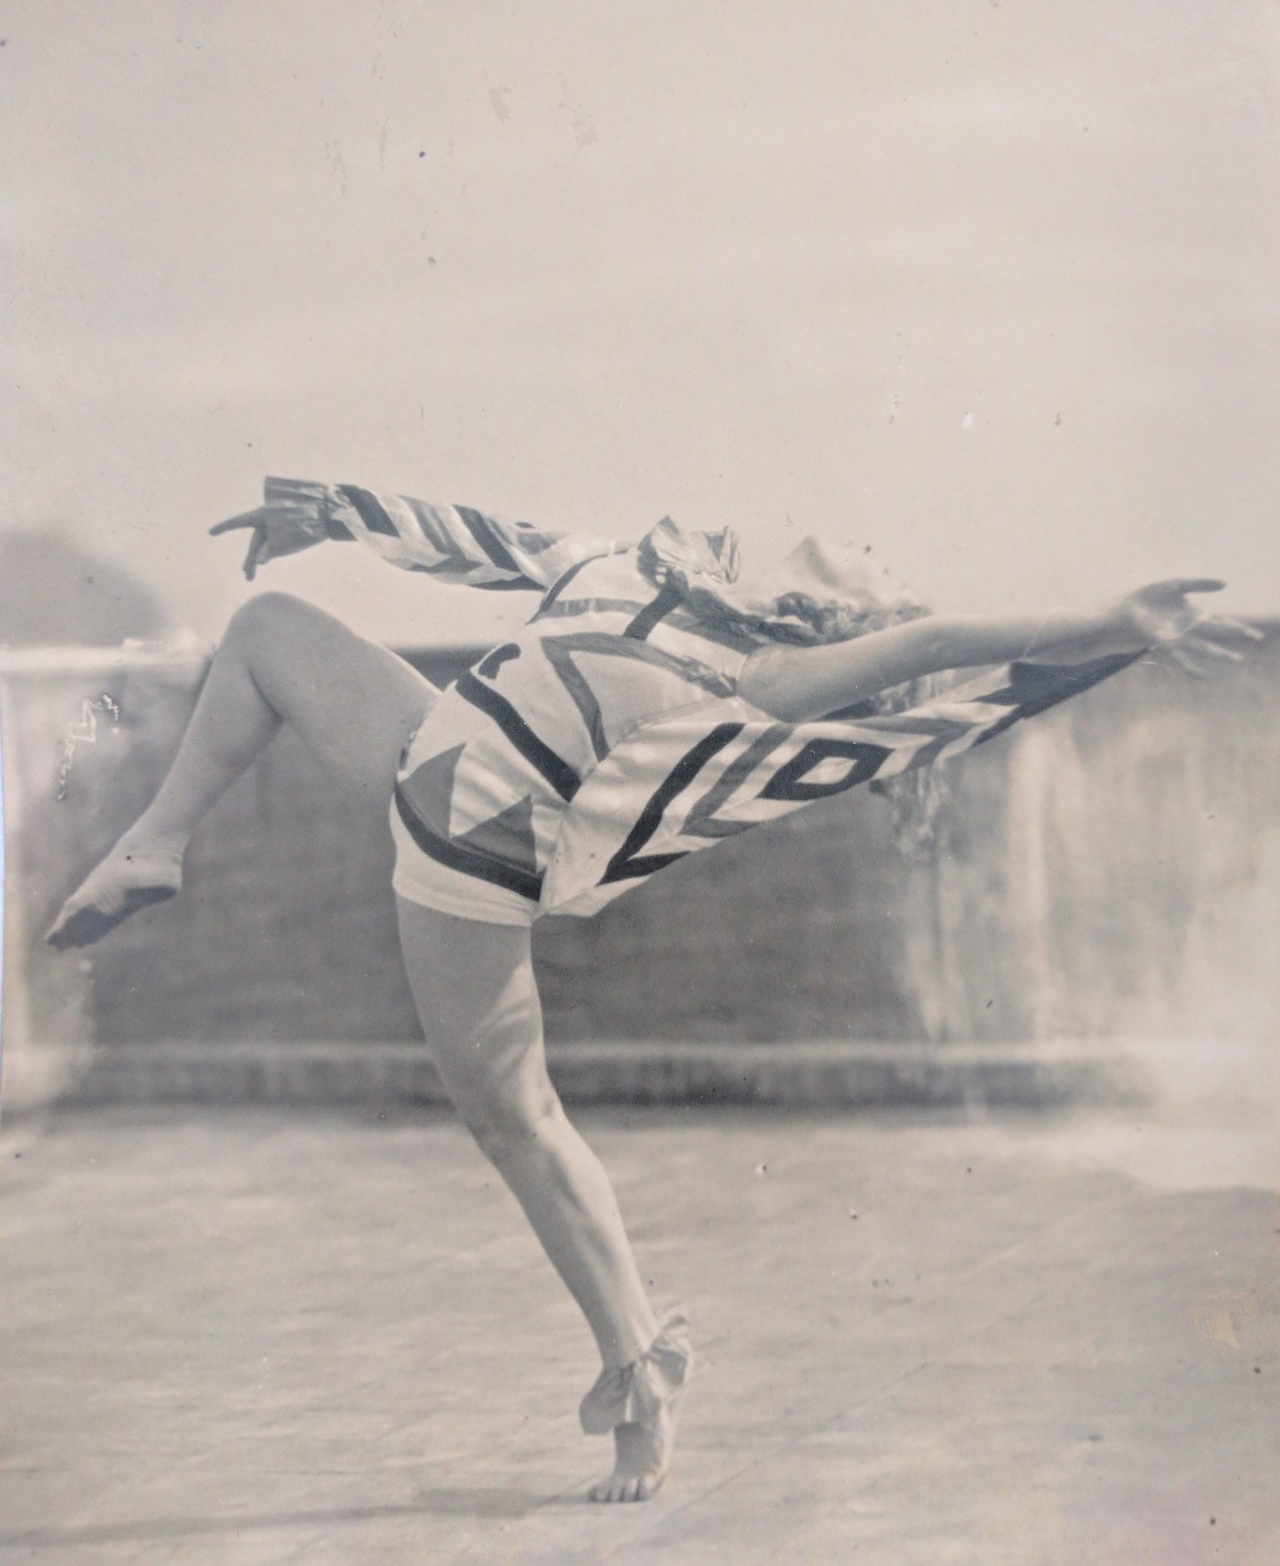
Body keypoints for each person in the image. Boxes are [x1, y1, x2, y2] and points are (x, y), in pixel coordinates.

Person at [46, 476, 1257, 1501]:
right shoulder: (629, 573)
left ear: (833, 610)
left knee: (516, 1122)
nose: (845, 540)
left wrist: (1113, 626)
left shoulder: (774, 669)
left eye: (864, 564)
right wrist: (331, 511)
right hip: (421, 747)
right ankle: (156, 841)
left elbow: (942, 645)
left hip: (478, 843)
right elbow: (487, 542)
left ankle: (638, 1365)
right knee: (266, 628)